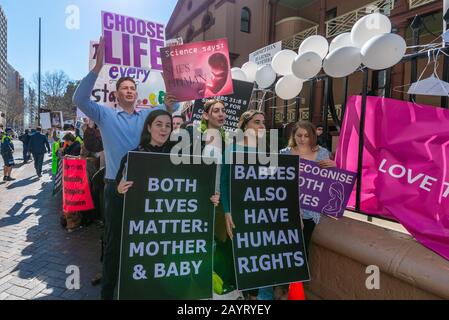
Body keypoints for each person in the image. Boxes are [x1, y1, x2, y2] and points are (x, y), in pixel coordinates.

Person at [73, 37, 178, 300]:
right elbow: (79, 98)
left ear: (137, 93)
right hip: (115, 188)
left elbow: (173, 106)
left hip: (146, 189)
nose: (130, 91)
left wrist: (170, 79)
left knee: (143, 244)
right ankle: (108, 294)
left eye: (133, 88)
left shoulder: (148, 114)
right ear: (116, 94)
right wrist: (98, 68)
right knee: (113, 245)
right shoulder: (105, 114)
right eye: (125, 88)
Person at [220, 110, 272, 300]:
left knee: (261, 254)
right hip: (239, 211)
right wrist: (227, 211)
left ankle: (259, 296)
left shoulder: (266, 150)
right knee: (244, 254)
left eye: (263, 123)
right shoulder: (232, 149)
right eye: (257, 122)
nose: (261, 126)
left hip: (261, 212)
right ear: (244, 126)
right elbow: (224, 183)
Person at [280, 121, 336, 255]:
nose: (302, 139)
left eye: (306, 135)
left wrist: (335, 166)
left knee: (303, 249)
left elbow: (329, 181)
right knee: (286, 248)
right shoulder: (284, 153)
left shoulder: (322, 153)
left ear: (312, 136)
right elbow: (279, 182)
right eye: (299, 135)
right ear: (293, 136)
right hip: (288, 207)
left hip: (311, 210)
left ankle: (301, 276)